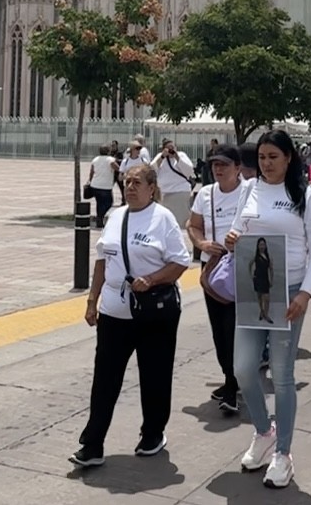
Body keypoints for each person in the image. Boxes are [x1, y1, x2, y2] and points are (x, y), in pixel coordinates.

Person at [70, 163, 192, 468]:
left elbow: (180, 262)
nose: (130, 187)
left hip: (154, 312)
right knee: (105, 378)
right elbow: (102, 261)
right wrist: (91, 300)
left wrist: (151, 279)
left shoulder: (162, 219)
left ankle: (153, 433)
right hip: (114, 312)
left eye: (137, 182)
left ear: (152, 188)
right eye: (127, 182)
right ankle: (93, 443)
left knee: (155, 374)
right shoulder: (114, 216)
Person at [226, 130, 311, 489]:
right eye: (262, 157)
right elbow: (237, 230)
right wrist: (232, 239)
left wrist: (306, 293)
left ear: (288, 158)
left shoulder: (306, 194)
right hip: (254, 290)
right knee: (243, 369)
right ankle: (262, 431)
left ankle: (283, 453)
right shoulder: (250, 190)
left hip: (289, 293)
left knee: (282, 376)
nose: (266, 164)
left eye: (274, 157)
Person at [187, 143, 248, 414]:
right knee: (219, 329)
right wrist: (202, 244)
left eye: (224, 164)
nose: (218, 169)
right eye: (215, 164)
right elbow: (193, 225)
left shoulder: (251, 192)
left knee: (235, 328)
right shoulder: (206, 194)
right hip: (213, 271)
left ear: (238, 168)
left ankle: (233, 385)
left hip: (242, 268)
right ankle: (229, 377)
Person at [152, 138, 197, 229]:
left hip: (180, 190)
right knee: (167, 221)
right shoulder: (160, 157)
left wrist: (177, 157)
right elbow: (152, 170)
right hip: (165, 193)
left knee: (181, 220)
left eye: (172, 147)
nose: (171, 150)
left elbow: (189, 170)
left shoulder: (181, 155)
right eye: (168, 148)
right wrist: (162, 157)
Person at [87, 143, 119, 228]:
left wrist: (89, 180)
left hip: (95, 184)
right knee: (109, 203)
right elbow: (117, 168)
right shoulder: (110, 159)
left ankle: (99, 220)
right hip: (105, 186)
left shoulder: (95, 159)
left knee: (99, 203)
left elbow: (92, 172)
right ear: (108, 151)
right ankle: (100, 217)